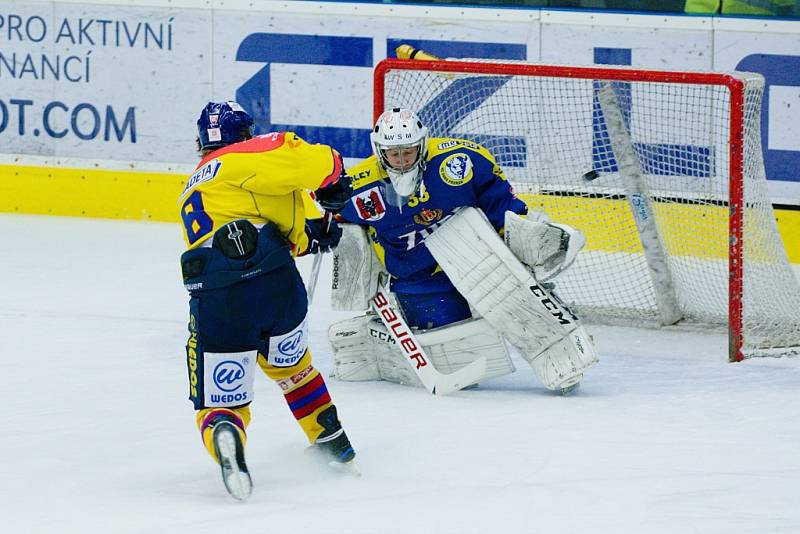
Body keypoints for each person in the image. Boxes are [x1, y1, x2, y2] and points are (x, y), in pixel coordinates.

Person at [328, 108, 598, 395]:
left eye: (409, 152)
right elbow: (324, 219)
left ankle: (562, 357)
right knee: (459, 360)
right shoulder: (356, 187)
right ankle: (374, 340)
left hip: (473, 254)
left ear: (422, 144)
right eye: (394, 154)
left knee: (517, 299)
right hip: (417, 274)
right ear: (379, 152)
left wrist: (521, 240)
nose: (403, 161)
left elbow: (501, 205)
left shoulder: (459, 162)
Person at [178, 101, 356, 501]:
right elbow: (323, 159)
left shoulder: (193, 185)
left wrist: (311, 233)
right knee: (296, 372)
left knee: (220, 398)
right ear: (243, 134)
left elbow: (252, 217)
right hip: (276, 287)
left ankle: (225, 430)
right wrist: (332, 185)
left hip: (217, 297)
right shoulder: (251, 153)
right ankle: (334, 445)